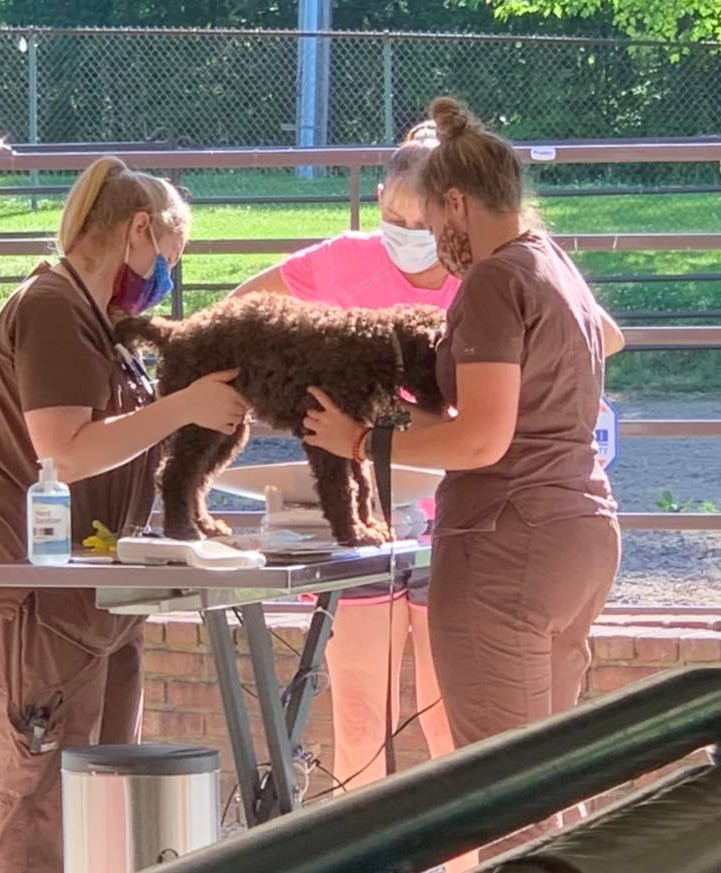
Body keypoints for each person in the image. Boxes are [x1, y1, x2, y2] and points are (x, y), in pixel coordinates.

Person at [302, 97, 623, 854]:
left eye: (425, 219)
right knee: (552, 776)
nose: (422, 241)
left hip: (506, 542)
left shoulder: (491, 281)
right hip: (579, 529)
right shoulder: (551, 262)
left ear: (455, 203)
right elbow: (595, 349)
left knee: (506, 793)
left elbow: (481, 438)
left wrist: (363, 440)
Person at [0, 157, 249, 873]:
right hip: (41, 589)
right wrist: (182, 407)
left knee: (108, 794)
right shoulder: (53, 307)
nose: (165, 277)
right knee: (44, 794)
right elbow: (65, 450)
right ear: (139, 229)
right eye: (169, 255)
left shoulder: (96, 320)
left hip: (97, 588)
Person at [232, 123, 459, 804]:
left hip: (458, 516)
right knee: (361, 717)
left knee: (455, 724)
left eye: (420, 224)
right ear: (378, 200)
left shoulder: (489, 270)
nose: (405, 236)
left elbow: (594, 335)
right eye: (394, 219)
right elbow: (241, 313)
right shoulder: (343, 260)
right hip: (362, 518)